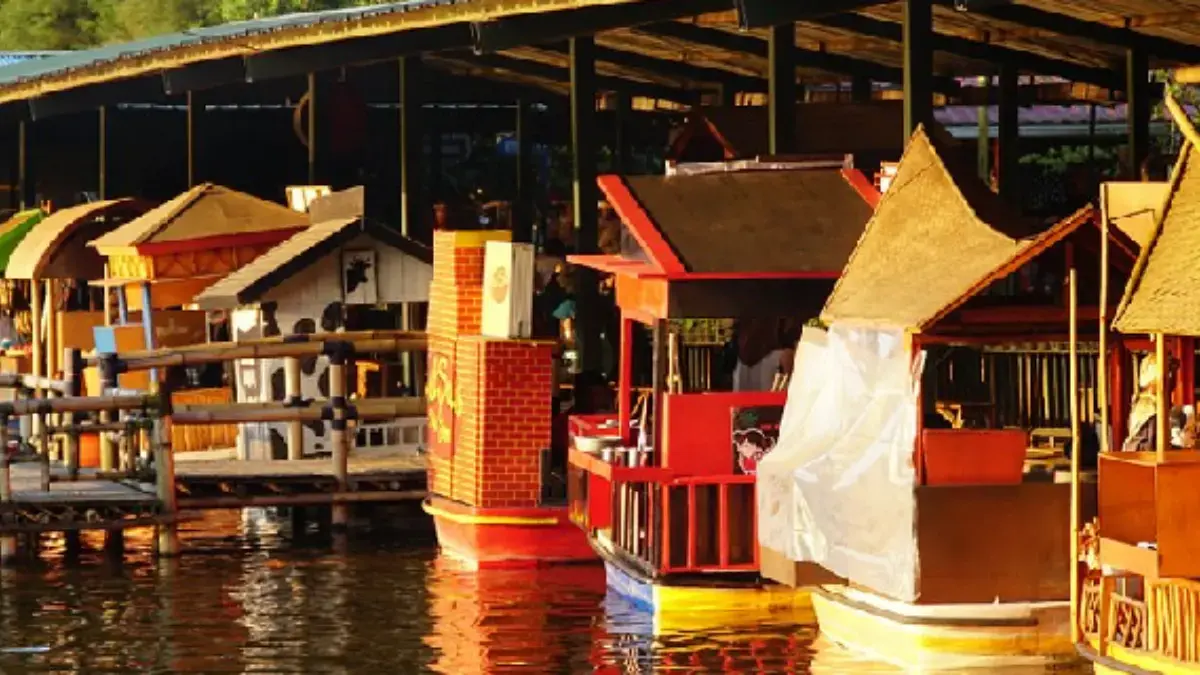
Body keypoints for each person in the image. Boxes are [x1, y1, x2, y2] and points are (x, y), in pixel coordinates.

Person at [1123, 353, 1184, 451]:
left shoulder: (1155, 404)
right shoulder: (1150, 408)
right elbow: (1150, 446)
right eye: (1168, 375)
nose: (1171, 379)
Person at [732, 316, 801, 391]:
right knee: (742, 401)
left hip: (772, 352)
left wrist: (788, 347)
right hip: (744, 354)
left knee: (768, 401)